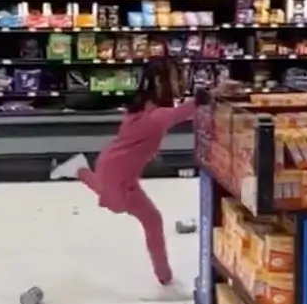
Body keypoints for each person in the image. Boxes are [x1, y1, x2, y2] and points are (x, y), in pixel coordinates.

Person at [49, 57, 221, 291]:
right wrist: (202, 99)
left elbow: (177, 110)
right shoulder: (156, 116)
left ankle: (80, 170)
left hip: (114, 166)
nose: (179, 80)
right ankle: (164, 277)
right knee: (129, 210)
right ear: (160, 82)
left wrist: (209, 95)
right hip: (117, 172)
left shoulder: (143, 107)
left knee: (144, 215)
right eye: (174, 76)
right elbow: (179, 113)